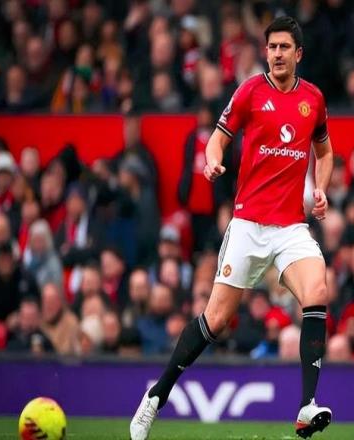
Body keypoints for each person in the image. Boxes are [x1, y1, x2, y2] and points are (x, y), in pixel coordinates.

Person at [130, 16, 333, 440]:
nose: (276, 54)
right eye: (271, 47)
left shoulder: (313, 99)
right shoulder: (249, 92)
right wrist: (212, 161)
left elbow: (325, 151)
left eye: (284, 47)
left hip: (290, 227)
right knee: (217, 319)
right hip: (248, 224)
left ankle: (306, 406)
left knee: (317, 290)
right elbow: (218, 138)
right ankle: (155, 397)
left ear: (298, 54)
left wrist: (322, 188)